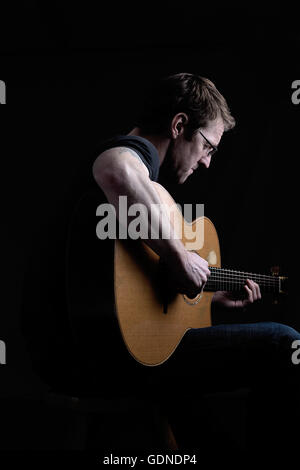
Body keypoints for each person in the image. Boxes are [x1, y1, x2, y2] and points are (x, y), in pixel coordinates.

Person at [79, 73, 299, 452]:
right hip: (105, 353)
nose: (208, 163)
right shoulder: (137, 154)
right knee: (286, 344)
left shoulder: (147, 190)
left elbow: (133, 291)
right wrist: (179, 256)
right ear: (179, 125)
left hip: (111, 346)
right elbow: (113, 168)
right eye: (208, 147)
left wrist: (208, 299)